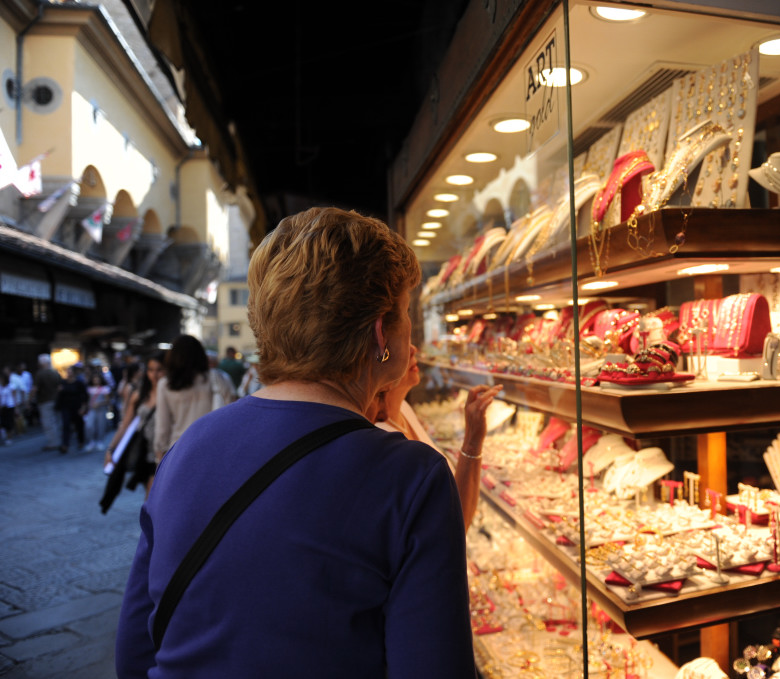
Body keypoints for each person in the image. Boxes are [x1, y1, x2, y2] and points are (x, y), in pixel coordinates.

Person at [117, 207, 475, 677]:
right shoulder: (412, 476)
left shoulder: (189, 448)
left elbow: (133, 656)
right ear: (379, 334)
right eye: (405, 311)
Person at [376, 344, 502, 531]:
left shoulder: (404, 409)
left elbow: (451, 503)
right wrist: (472, 441)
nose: (412, 349)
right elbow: (451, 526)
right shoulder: (383, 440)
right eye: (402, 338)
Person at [152, 335, 235, 463]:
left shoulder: (165, 384)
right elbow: (231, 411)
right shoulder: (217, 378)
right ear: (201, 355)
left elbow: (162, 426)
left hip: (178, 450)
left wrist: (160, 453)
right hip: (213, 450)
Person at [102, 352, 165, 508]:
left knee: (154, 498)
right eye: (151, 370)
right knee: (150, 498)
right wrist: (111, 449)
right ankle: (151, 530)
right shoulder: (139, 394)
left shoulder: (172, 393)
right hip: (144, 452)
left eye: (159, 369)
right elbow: (125, 424)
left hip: (163, 452)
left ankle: (153, 529)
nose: (154, 374)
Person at [55, 364, 88, 454]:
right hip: (66, 407)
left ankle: (81, 441)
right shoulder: (63, 383)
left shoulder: (79, 383)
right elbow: (60, 396)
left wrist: (83, 407)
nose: (69, 373)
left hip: (77, 407)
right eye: (67, 372)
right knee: (66, 425)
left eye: (70, 372)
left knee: (79, 425)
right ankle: (65, 444)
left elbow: (84, 395)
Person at [33, 354, 62, 451]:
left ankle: (53, 443)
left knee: (48, 423)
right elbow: (60, 388)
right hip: (56, 400)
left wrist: (29, 399)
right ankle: (56, 440)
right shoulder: (55, 373)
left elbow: (35, 389)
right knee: (55, 421)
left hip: (45, 401)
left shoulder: (40, 374)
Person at [84, 371, 111, 452]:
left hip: (101, 410)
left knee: (101, 426)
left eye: (97, 379)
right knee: (89, 425)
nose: (96, 381)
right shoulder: (89, 389)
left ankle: (100, 441)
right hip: (92, 409)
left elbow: (108, 400)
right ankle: (91, 441)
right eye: (94, 379)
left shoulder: (104, 389)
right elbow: (87, 400)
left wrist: (99, 403)